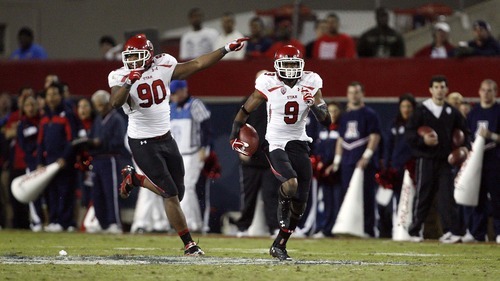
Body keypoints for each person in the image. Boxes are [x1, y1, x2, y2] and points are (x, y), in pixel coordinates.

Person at [108, 33, 247, 256]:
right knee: (170, 194)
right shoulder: (119, 75)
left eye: (138, 57)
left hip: (166, 138)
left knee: (179, 193)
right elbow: (115, 102)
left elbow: (198, 63)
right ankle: (189, 244)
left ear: (149, 55)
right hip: (141, 141)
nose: (133, 62)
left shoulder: (164, 64)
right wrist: (129, 80)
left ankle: (136, 178)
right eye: (130, 57)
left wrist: (226, 49)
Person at [229, 45, 331, 261]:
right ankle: (282, 202)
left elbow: (327, 120)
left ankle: (280, 244)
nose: (291, 69)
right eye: (287, 64)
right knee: (291, 184)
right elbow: (246, 109)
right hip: (275, 143)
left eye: (295, 64)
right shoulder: (268, 82)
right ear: (277, 66)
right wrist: (234, 133)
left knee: (301, 201)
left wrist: (313, 102)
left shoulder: (311, 82)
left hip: (299, 143)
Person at [405, 75, 471, 243]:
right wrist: (423, 141)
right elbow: (410, 133)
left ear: (446, 90)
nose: (440, 90)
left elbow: (466, 133)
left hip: (445, 161)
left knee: (447, 196)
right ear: (430, 90)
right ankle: (415, 230)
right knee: (423, 195)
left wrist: (465, 148)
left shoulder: (452, 112)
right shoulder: (421, 110)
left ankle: (451, 231)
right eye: (436, 87)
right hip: (425, 159)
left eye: (442, 87)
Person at [325, 82, 382, 237]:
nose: (353, 95)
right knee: (346, 195)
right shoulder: (345, 116)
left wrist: (366, 157)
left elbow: (375, 136)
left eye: (356, 92)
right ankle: (348, 228)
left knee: (366, 196)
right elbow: (340, 139)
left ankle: (368, 230)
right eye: (351, 92)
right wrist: (337, 161)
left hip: (363, 164)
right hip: (347, 163)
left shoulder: (370, 114)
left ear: (362, 93)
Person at [233, 70, 280, 238]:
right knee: (249, 195)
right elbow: (238, 127)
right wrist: (241, 149)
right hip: (251, 157)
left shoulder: (277, 102)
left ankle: (274, 228)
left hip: (270, 156)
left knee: (271, 195)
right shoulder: (247, 102)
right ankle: (243, 227)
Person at [169, 80, 211, 232]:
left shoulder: (195, 104)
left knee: (187, 187)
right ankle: (194, 222)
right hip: (177, 153)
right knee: (184, 188)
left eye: (175, 93)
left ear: (183, 90)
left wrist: (204, 148)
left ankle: (188, 223)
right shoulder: (171, 107)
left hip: (193, 152)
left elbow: (206, 127)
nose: (173, 97)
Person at [37, 82, 78, 232]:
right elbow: (40, 142)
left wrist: (65, 158)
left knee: (65, 192)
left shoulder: (67, 115)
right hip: (48, 164)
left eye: (55, 94)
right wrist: (39, 162)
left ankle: (65, 222)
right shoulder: (44, 118)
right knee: (51, 193)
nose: (52, 97)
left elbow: (71, 140)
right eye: (49, 94)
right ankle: (54, 220)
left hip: (63, 163)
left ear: (61, 96)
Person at [463, 79, 500, 243]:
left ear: (495, 93)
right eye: (484, 90)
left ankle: (499, 232)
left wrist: (491, 135)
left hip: (495, 161)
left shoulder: (498, 111)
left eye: (490, 90)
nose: (486, 93)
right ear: (479, 92)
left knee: (497, 198)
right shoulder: (473, 113)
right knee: (477, 198)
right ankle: (478, 233)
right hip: (477, 162)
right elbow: (467, 136)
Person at [378, 93, 416, 238]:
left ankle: (412, 229)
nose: (406, 109)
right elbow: (388, 147)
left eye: (409, 107)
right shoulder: (394, 124)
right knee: (393, 202)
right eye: (403, 106)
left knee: (412, 200)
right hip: (396, 170)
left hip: (413, 170)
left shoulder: (418, 125)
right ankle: (396, 229)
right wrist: (386, 168)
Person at [310, 101, 343, 238]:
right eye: (330, 111)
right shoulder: (323, 129)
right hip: (324, 173)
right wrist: (319, 162)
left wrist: (332, 164)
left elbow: (340, 150)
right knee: (326, 201)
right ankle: (325, 228)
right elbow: (319, 149)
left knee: (338, 201)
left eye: (335, 111)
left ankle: (336, 228)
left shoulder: (342, 128)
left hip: (337, 172)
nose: (333, 114)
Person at [16, 95, 44, 232]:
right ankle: (37, 221)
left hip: (46, 162)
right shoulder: (22, 124)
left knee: (49, 193)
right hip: (32, 163)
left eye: (33, 104)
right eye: (28, 105)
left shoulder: (43, 120)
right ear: (23, 107)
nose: (31, 108)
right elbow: (24, 146)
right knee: (33, 194)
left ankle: (52, 221)